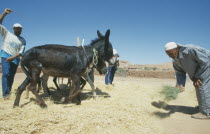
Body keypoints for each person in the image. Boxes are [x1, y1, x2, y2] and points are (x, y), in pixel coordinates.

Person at [165, 42, 210, 119]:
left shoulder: (190, 50)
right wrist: (180, 84)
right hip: (202, 69)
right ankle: (205, 105)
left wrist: (198, 77)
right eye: (168, 54)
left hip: (206, 66)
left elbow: (205, 62)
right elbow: (179, 72)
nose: (170, 56)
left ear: (176, 49)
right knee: (202, 86)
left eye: (171, 53)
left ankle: (206, 113)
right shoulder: (175, 60)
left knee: (200, 85)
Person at [0, 8, 26, 100]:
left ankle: (9, 91)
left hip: (15, 59)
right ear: (13, 29)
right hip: (5, 56)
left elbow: (21, 52)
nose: (18, 30)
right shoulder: (7, 34)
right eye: (17, 29)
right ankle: (5, 94)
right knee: (5, 74)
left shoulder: (23, 40)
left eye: (20, 29)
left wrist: (13, 57)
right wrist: (4, 13)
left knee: (11, 76)